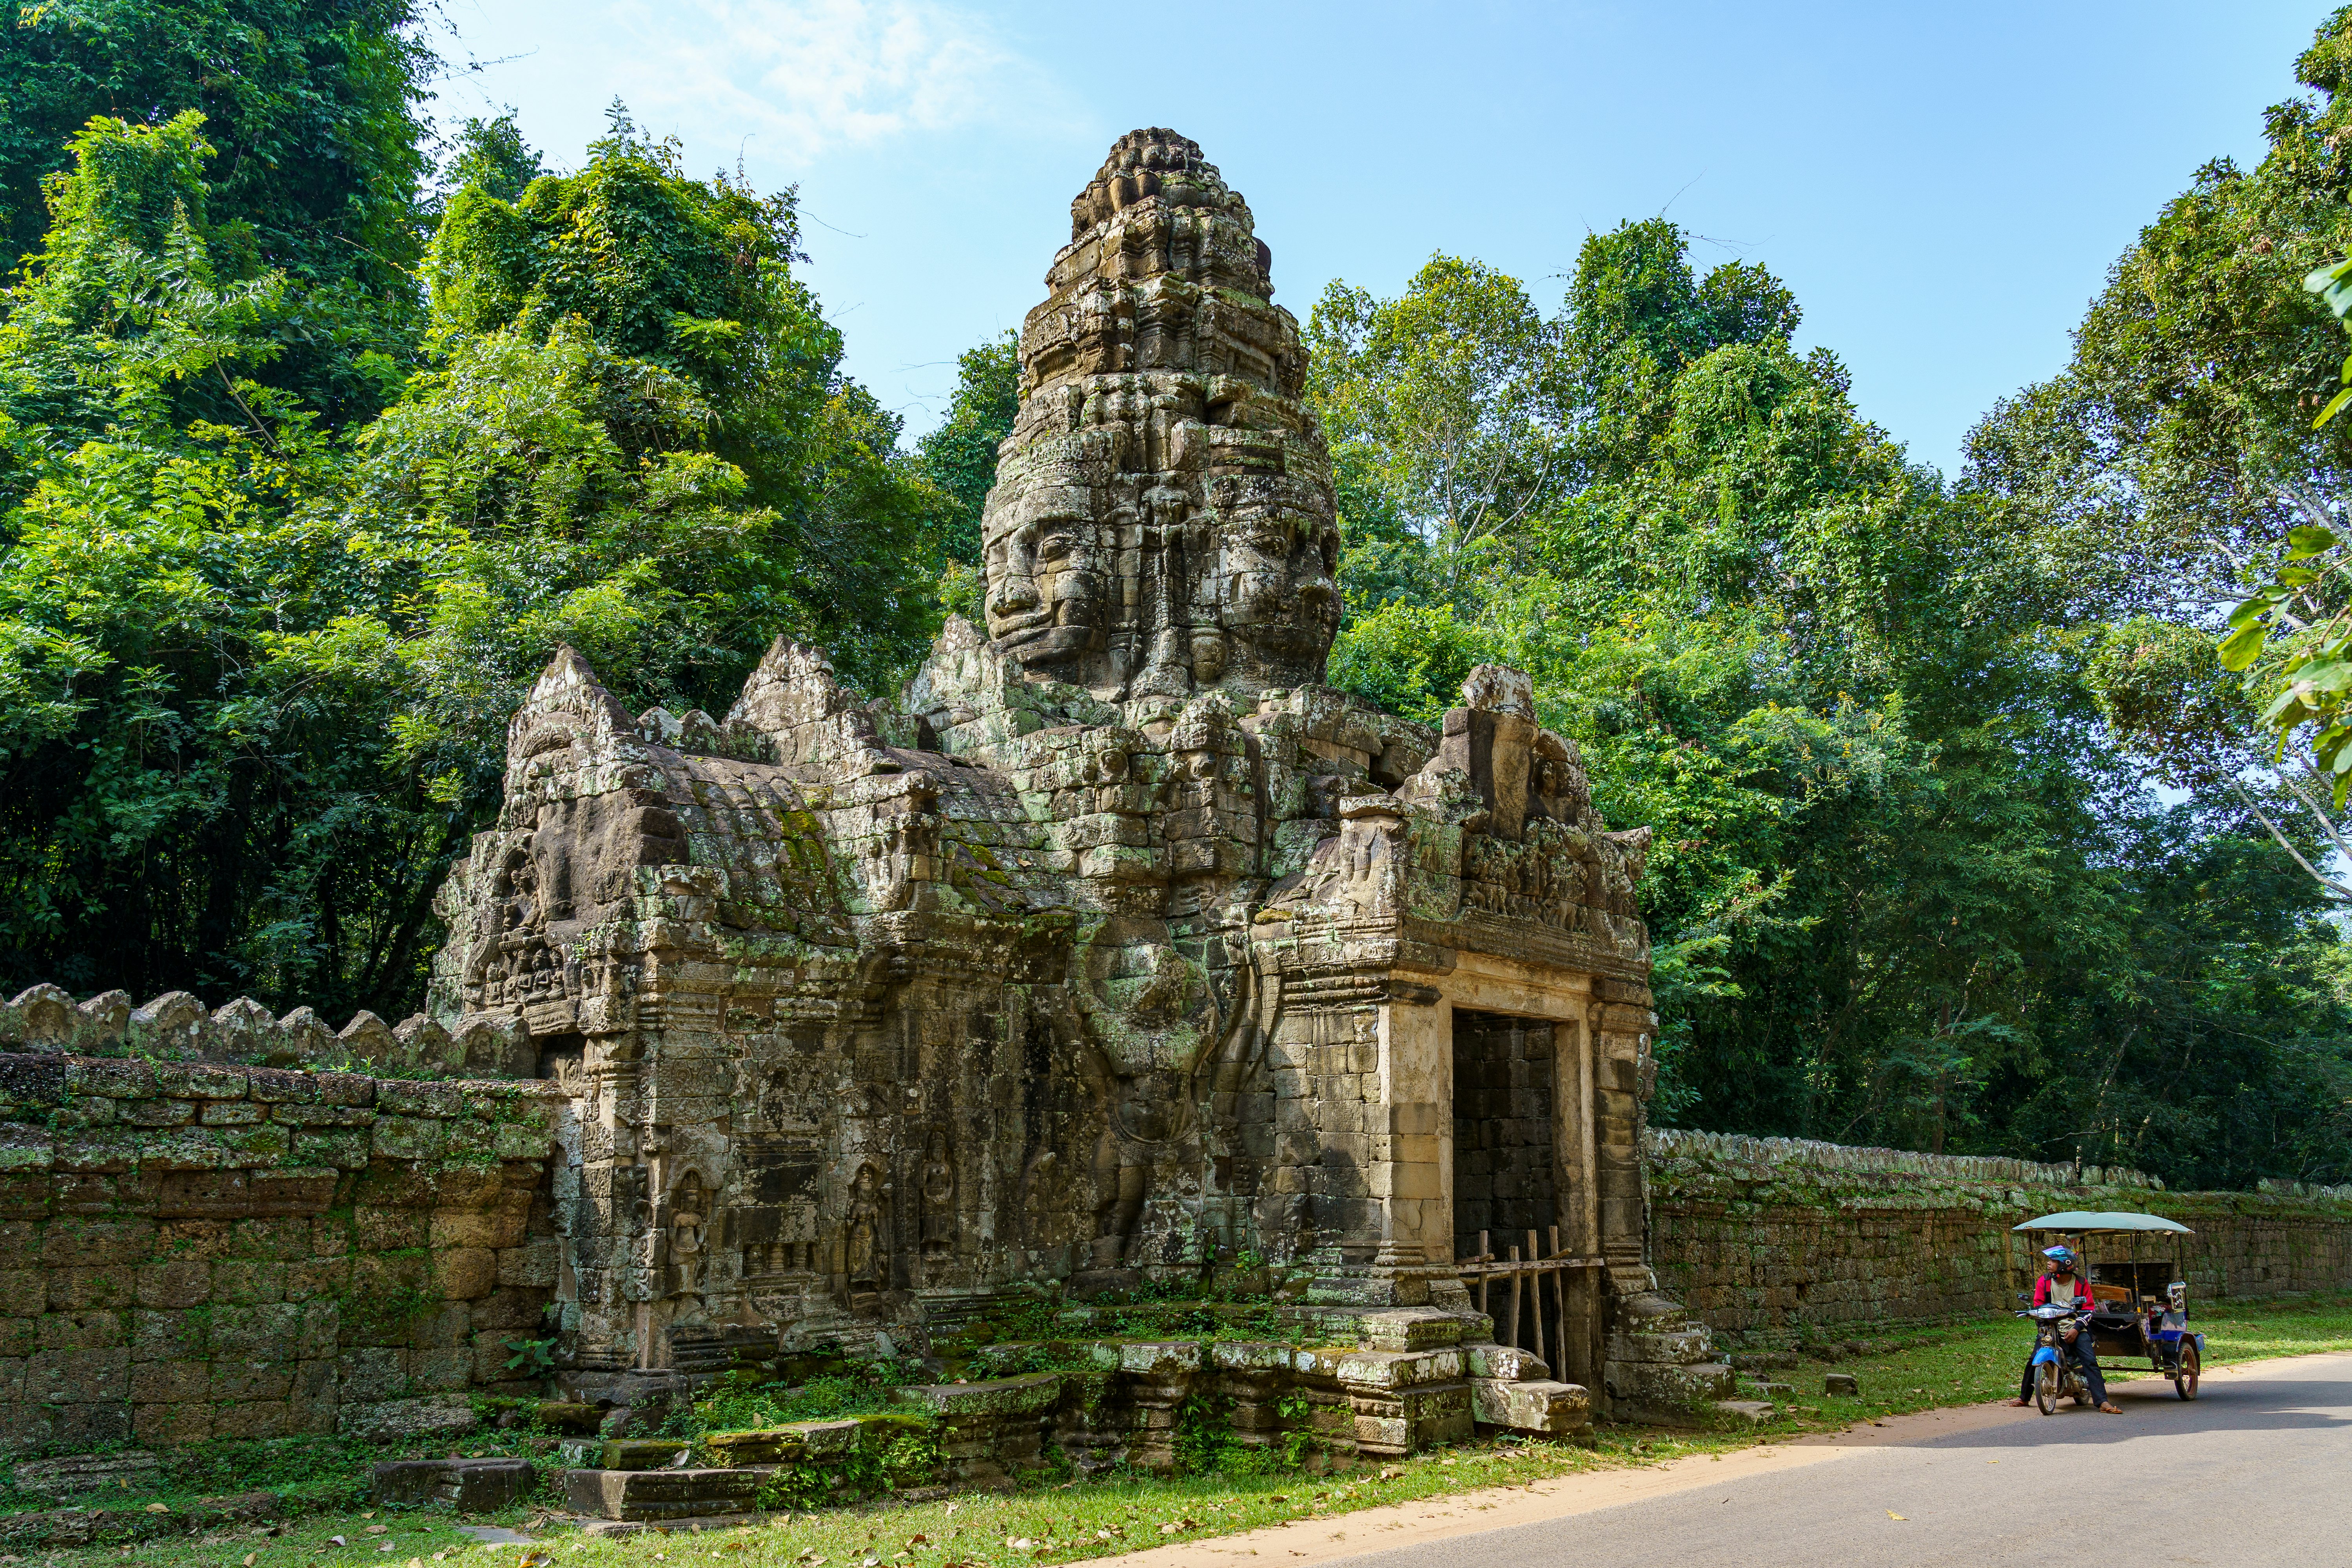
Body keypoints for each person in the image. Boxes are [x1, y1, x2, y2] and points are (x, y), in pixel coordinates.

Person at [2009, 1244, 2122, 1413]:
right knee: (2034, 1358)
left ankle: (2103, 1402)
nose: (2049, 1264)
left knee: (2090, 1361)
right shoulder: (2045, 1281)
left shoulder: (2081, 1283)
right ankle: (2024, 1397)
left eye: (2053, 1261)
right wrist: (2041, 1323)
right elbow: (2038, 1305)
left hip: (2076, 1329)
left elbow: (2089, 1310)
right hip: (2050, 1328)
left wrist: (2076, 1329)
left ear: (2064, 1265)